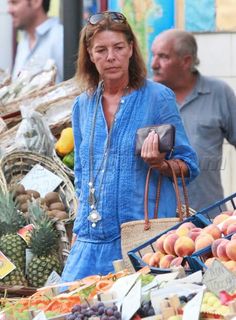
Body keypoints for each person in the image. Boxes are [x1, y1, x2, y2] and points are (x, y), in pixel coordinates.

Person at [61, 12, 199, 281]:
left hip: (142, 240)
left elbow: (189, 166)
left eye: (118, 48)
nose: (110, 56)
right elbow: (81, 173)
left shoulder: (157, 98)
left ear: (131, 50)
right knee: (66, 306)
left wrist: (159, 163)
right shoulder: (82, 106)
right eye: (101, 49)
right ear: (90, 55)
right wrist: (78, 228)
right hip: (91, 242)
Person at [151, 29, 236, 212]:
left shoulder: (219, 93)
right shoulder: (146, 97)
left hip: (209, 218)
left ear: (186, 61)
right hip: (158, 219)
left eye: (163, 57)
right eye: (153, 55)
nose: (154, 64)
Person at [8, 0, 63, 83]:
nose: (9, 10)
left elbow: (78, 87)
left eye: (15, 3)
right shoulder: (23, 42)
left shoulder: (60, 36)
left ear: (36, 2)